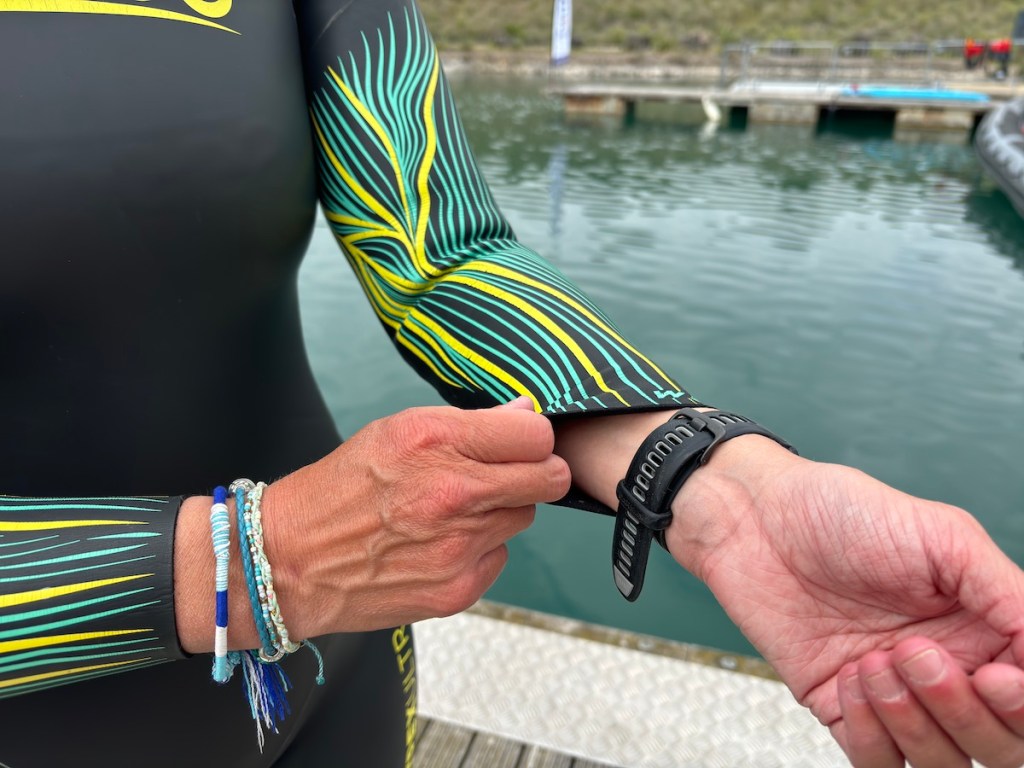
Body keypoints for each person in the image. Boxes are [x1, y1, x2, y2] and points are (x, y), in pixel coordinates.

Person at [1, 1, 1023, 767]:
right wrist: (241, 561)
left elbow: (438, 250)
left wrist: (716, 488)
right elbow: (272, 558)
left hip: (335, 672)